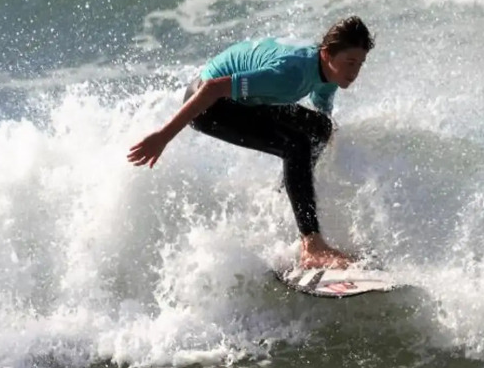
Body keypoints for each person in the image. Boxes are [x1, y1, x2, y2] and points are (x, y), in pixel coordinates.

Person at [127, 16, 374, 270]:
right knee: (296, 145)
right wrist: (163, 136)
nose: (354, 72)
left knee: (319, 129)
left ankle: (288, 203)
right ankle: (312, 245)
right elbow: (212, 89)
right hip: (208, 105)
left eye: (360, 63)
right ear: (327, 54)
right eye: (350, 62)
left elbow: (321, 120)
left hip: (248, 99)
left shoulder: (329, 75)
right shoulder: (290, 74)